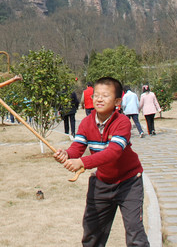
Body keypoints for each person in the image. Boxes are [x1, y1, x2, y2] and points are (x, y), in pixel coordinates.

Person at [54, 77, 149, 247]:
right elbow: (78, 147)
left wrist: (82, 163)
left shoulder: (122, 122)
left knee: (135, 234)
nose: (99, 99)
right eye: (96, 95)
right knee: (92, 234)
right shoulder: (86, 122)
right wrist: (66, 154)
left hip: (129, 183)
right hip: (102, 184)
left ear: (117, 101)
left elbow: (113, 153)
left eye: (105, 96)